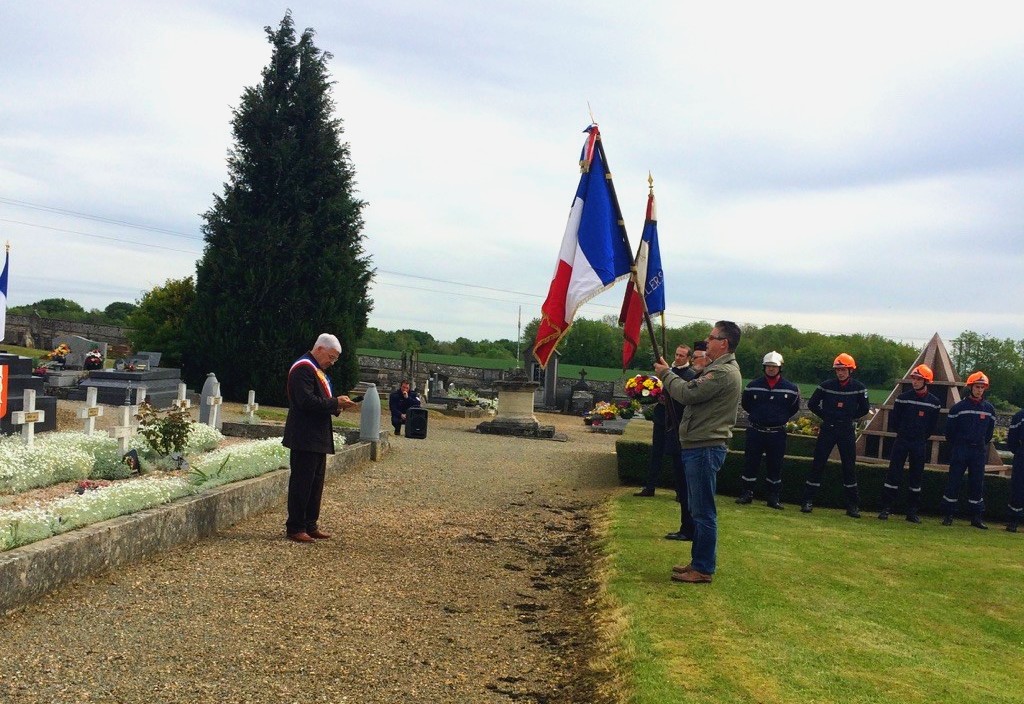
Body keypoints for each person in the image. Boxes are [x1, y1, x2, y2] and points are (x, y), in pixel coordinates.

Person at [654, 321, 742, 585]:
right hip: (699, 445)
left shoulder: (723, 373)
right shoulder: (717, 369)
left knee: (703, 512)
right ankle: (698, 562)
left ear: (723, 343)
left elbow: (686, 393)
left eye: (711, 337)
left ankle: (703, 568)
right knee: (697, 508)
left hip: (705, 447)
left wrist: (667, 374)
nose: (707, 340)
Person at [283, 333, 358, 543]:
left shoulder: (318, 370)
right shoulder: (303, 368)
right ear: (319, 349)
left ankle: (310, 524)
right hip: (304, 435)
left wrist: (337, 406)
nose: (332, 362)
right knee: (302, 482)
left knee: (315, 483)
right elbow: (306, 401)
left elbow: (321, 401)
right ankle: (295, 526)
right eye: (331, 357)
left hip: (317, 435)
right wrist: (335, 403)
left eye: (335, 359)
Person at [800, 353, 870, 517]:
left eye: (843, 369)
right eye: (838, 369)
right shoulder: (826, 385)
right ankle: (807, 501)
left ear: (850, 370)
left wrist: (849, 417)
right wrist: (827, 416)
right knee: (818, 464)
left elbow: (865, 409)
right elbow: (812, 404)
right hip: (828, 429)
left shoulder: (859, 387)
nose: (840, 373)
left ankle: (853, 506)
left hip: (846, 429)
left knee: (849, 467)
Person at [878, 364, 941, 523]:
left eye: (919, 379)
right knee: (893, 473)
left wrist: (920, 437)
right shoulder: (903, 398)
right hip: (902, 440)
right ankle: (886, 508)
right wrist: (904, 433)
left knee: (916, 477)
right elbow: (894, 420)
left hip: (919, 443)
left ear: (926, 381)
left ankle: (912, 512)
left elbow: (933, 426)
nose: (915, 382)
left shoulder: (934, 402)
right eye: (914, 378)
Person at [737, 351, 801, 509]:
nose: (771, 369)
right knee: (750, 463)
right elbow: (746, 405)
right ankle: (747, 493)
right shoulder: (752, 386)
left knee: (775, 465)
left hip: (777, 433)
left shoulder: (791, 389)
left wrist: (778, 418)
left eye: (774, 367)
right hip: (756, 431)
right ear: (764, 367)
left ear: (780, 368)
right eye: (768, 366)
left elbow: (793, 408)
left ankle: (773, 497)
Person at [940, 371, 995, 529]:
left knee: (977, 483)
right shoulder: (958, 408)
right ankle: (948, 515)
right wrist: (958, 445)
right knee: (954, 481)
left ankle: (976, 517)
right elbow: (949, 432)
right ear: (970, 387)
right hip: (960, 449)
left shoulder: (989, 409)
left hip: (978, 451)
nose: (979, 390)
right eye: (977, 387)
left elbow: (989, 433)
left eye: (982, 387)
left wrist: (980, 443)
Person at [635, 344, 692, 497]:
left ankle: (681, 492)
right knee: (656, 453)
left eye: (682, 355)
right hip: (661, 417)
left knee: (677, 456)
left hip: (676, 419)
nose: (678, 358)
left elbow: (686, 395)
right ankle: (650, 487)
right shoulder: (665, 371)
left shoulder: (690, 375)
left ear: (688, 358)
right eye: (677, 354)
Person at [1006, 406, 1024, 532]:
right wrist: (1018, 452)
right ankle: (1013, 521)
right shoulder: (1019, 416)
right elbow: (1012, 438)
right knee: (1018, 487)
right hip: (1022, 455)